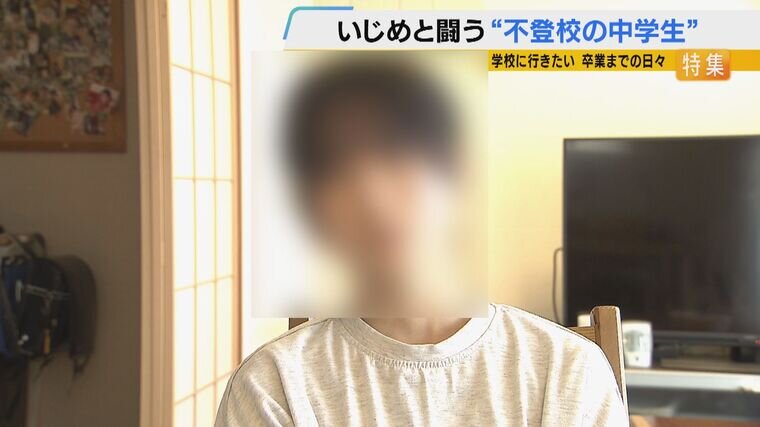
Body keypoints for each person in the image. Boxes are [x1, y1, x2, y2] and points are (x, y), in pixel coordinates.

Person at [216, 58, 628, 426]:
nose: (371, 195)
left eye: (396, 151)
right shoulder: (273, 386)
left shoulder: (568, 373)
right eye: (335, 167)